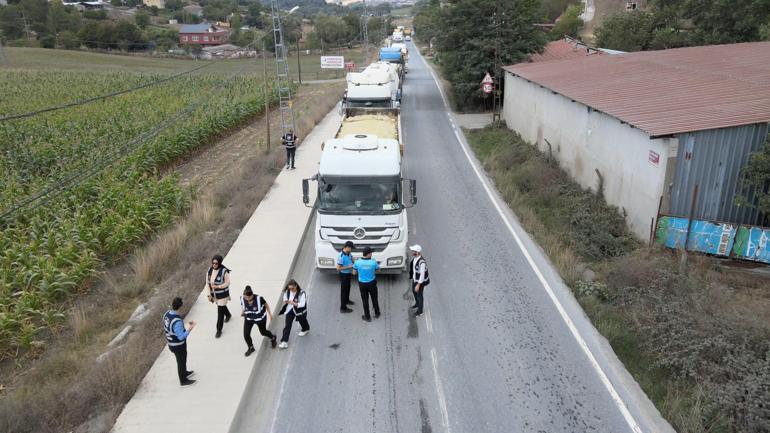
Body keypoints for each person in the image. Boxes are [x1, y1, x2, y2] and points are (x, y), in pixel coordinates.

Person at [163, 297, 196, 386]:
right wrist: (190, 328)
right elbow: (181, 337)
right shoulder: (177, 321)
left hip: (171, 343)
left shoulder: (166, 314)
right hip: (178, 345)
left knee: (182, 359)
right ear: (180, 307)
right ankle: (183, 381)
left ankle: (184, 372)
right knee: (181, 362)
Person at [241, 286, 277, 356]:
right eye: (245, 297)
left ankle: (273, 338)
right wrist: (243, 312)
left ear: (252, 295)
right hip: (249, 319)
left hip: (260, 319)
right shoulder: (243, 299)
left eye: (248, 297)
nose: (247, 299)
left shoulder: (259, 298)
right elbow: (243, 305)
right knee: (246, 334)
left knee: (263, 332)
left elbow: (266, 305)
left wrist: (270, 314)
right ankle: (251, 347)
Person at [277, 279, 309, 349]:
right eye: (290, 288)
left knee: (302, 320)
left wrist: (294, 303)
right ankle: (284, 341)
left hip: (298, 310)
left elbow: (302, 304)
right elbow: (285, 297)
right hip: (290, 310)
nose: (291, 290)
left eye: (292, 288)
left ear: (296, 286)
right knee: (287, 325)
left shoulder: (301, 293)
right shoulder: (287, 291)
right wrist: (285, 300)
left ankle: (305, 329)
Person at [206, 254, 232, 338]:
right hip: (215, 295)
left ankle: (218, 330)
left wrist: (218, 286)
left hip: (223, 295)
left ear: (219, 263)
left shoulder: (224, 271)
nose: (214, 265)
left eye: (216, 263)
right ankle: (228, 315)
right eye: (213, 263)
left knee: (220, 312)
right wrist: (209, 295)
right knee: (221, 307)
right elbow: (207, 283)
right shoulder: (209, 270)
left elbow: (228, 283)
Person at [353, 246, 380, 322]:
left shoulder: (357, 262)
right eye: (371, 253)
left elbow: (354, 273)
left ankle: (367, 317)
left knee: (365, 300)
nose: (372, 254)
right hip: (372, 283)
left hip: (362, 284)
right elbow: (379, 270)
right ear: (369, 254)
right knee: (374, 298)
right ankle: (377, 313)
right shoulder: (373, 262)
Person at [409, 245, 430, 317]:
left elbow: (422, 275)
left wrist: (418, 285)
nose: (412, 252)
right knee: (414, 292)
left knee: (419, 296)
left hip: (419, 282)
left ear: (417, 252)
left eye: (413, 251)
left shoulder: (422, 263)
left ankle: (420, 311)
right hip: (415, 279)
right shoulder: (415, 258)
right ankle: (417, 304)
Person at [336, 241, 356, 314]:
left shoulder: (348, 253)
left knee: (348, 288)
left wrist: (356, 263)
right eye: (351, 248)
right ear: (347, 247)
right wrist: (349, 266)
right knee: (343, 291)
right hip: (343, 275)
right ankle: (343, 308)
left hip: (348, 274)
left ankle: (347, 300)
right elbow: (338, 268)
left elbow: (352, 258)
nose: (352, 250)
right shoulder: (341, 256)